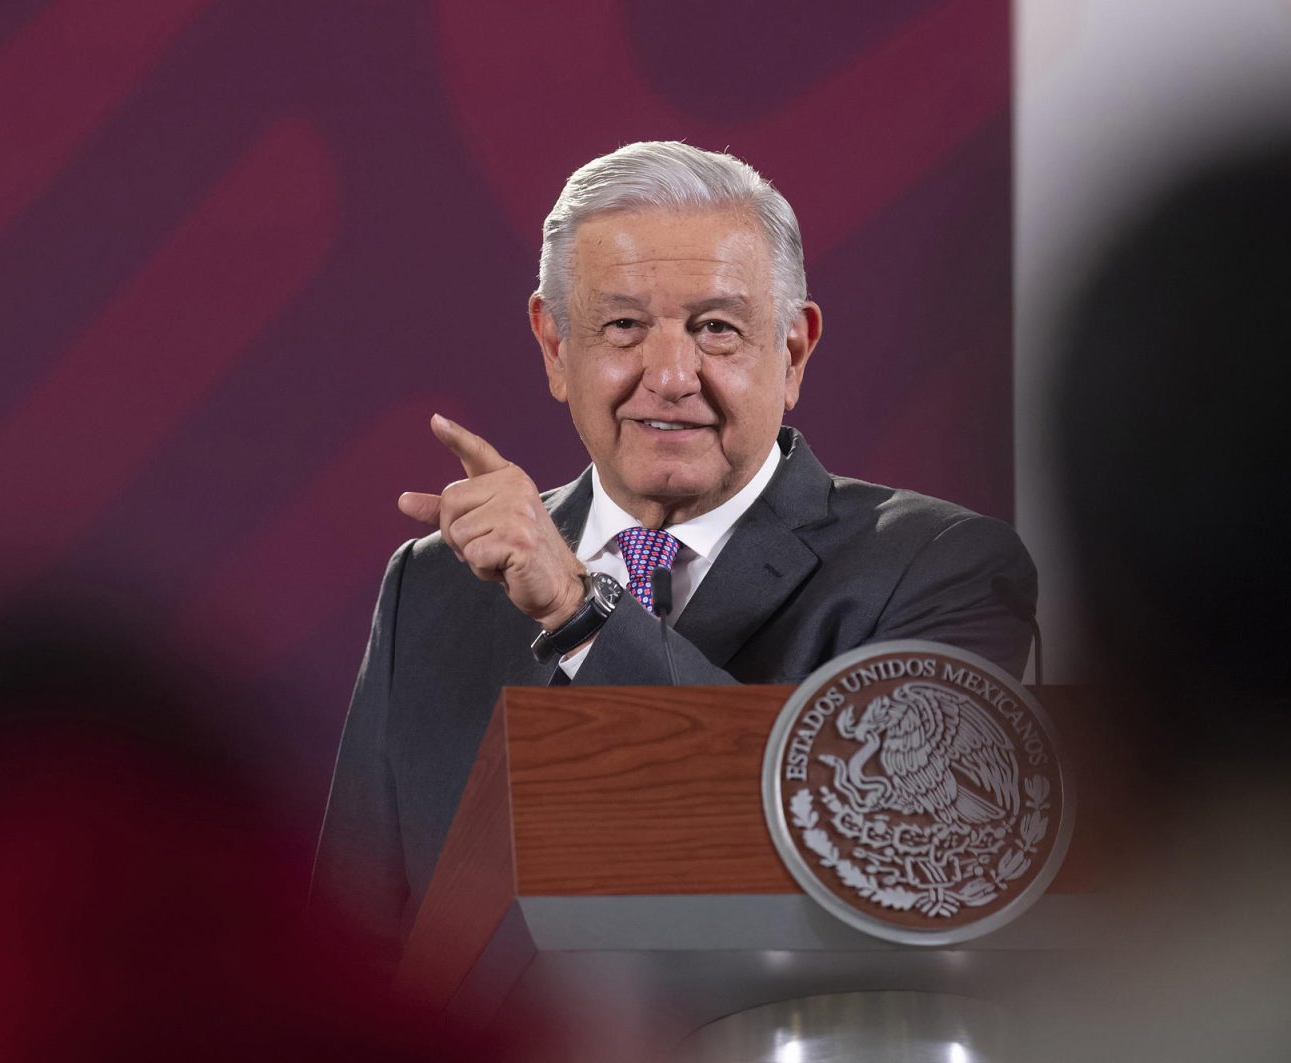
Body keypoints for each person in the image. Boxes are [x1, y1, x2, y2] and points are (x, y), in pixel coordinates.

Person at [314, 141, 1037, 959]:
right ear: (555, 346)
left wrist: (582, 609)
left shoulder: (942, 567)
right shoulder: (434, 584)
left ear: (792, 351)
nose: (668, 374)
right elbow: (348, 943)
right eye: (623, 325)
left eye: (716, 329)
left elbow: (865, 862)